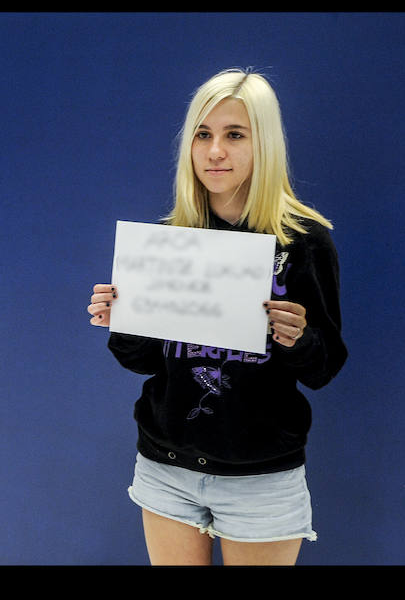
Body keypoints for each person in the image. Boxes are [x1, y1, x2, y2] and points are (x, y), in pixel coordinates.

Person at [87, 68, 347, 566]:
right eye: (203, 135)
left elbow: (325, 367)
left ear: (263, 143)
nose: (215, 152)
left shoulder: (304, 242)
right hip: (165, 467)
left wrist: (299, 340)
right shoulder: (169, 239)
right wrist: (122, 318)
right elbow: (141, 361)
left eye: (234, 135)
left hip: (259, 477)